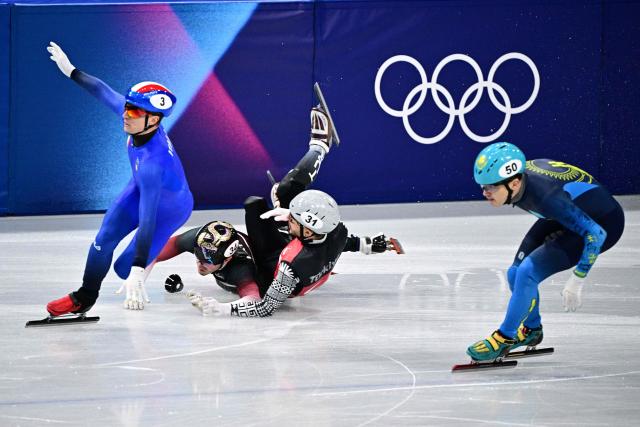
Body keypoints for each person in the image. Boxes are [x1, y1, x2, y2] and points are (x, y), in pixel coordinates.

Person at [156, 103, 402, 317]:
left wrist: (222, 309)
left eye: (295, 221)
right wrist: (371, 245)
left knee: (255, 205)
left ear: (307, 232)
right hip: (308, 266)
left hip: (270, 277)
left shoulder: (289, 262)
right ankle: (319, 147)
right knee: (282, 196)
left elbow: (264, 307)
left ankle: (318, 147)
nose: (289, 219)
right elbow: (344, 242)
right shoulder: (335, 232)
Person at [44, 41, 193, 315]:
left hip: (169, 209)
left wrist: (138, 268)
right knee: (104, 239)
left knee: (124, 269)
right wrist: (71, 70)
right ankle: (84, 296)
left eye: (134, 111)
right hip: (142, 189)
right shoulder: (137, 121)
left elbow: (148, 218)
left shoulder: (152, 163)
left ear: (155, 120)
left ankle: (152, 257)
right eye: (127, 107)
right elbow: (102, 90)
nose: (126, 114)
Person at [466, 142, 625, 361]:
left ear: (513, 183)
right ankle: (532, 330)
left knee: (527, 273)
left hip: (603, 224)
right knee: (514, 273)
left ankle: (504, 338)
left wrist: (578, 278)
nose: (485, 193)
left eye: (491, 187)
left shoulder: (546, 196)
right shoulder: (523, 182)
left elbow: (596, 234)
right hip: (568, 212)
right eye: (482, 187)